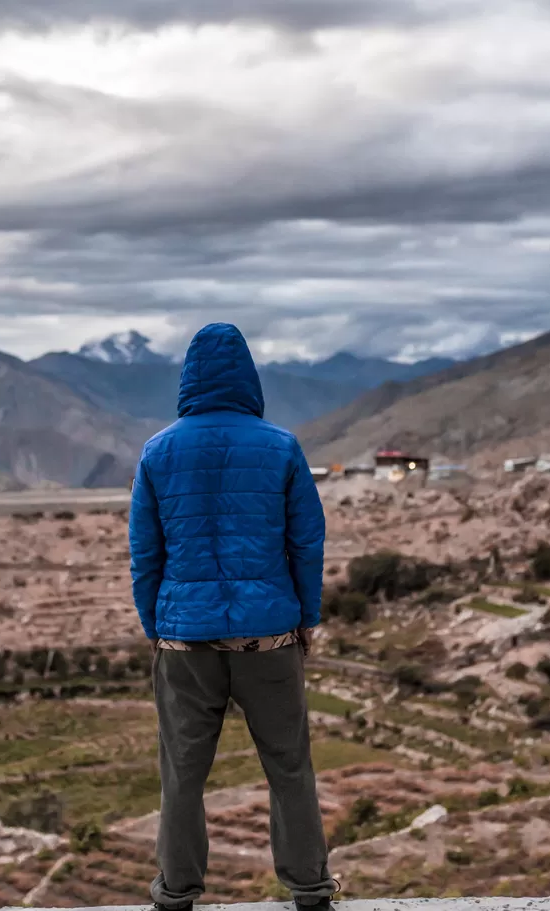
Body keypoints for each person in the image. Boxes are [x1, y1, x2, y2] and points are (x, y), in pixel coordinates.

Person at [129, 322, 337, 911]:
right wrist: (307, 619)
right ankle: (310, 889)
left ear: (188, 379)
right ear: (249, 377)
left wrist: (157, 625)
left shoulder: (158, 451)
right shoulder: (281, 446)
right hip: (269, 638)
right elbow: (307, 542)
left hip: (184, 641)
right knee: (289, 766)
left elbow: (147, 553)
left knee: (183, 775)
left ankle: (175, 894)